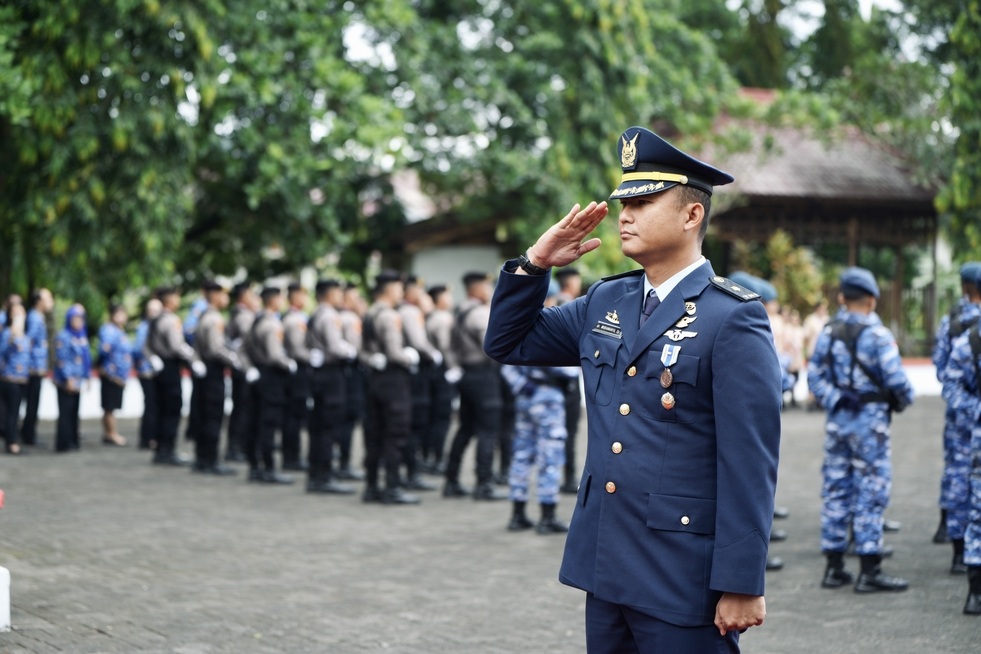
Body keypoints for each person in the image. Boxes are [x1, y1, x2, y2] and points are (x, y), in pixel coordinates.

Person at [484, 126, 782, 651]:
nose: (625, 214)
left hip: (681, 575)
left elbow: (750, 461)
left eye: (643, 202)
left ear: (693, 215)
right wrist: (535, 264)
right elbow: (509, 342)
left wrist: (741, 581)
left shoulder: (732, 317)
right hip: (606, 563)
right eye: (624, 201)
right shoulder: (607, 301)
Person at [808, 267, 914, 593]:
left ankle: (834, 567)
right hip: (871, 425)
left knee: (836, 489)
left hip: (839, 422)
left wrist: (837, 399)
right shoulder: (879, 335)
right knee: (870, 490)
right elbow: (898, 383)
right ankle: (869, 569)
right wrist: (900, 400)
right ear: (871, 300)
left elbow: (814, 378)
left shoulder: (828, 332)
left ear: (842, 298)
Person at [501, 281, 577, 535]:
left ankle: (518, 513)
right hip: (548, 397)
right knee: (550, 456)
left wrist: (523, 387)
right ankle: (547, 515)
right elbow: (564, 367)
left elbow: (505, 364)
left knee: (522, 454)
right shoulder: (546, 326)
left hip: (526, 397)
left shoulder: (518, 322)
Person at [443, 271, 507, 502]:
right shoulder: (480, 313)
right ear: (476, 288)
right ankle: (484, 483)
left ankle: (451, 479)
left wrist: (454, 367)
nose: (489, 290)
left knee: (466, 428)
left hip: (465, 375)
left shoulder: (459, 311)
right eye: (487, 285)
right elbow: (492, 347)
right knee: (488, 430)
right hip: (483, 376)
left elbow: (449, 346)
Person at [360, 271, 420, 505]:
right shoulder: (388, 315)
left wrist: (373, 358)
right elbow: (394, 352)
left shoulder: (370, 312)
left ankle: (372, 486)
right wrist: (409, 357)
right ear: (388, 289)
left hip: (375, 379)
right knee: (395, 433)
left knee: (374, 433)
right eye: (398, 287)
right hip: (394, 380)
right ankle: (392, 487)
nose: (401, 292)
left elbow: (363, 351)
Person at [932, 262, 981, 548]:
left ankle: (952, 536)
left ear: (965, 288)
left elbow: (941, 367)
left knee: (955, 469)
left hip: (958, 410)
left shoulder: (951, 320)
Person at [943, 263, 981, 615]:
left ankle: (963, 560)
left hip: (966, 424)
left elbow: (945, 374)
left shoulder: (954, 322)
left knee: (968, 493)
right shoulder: (975, 333)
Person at [304, 279, 358, 495]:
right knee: (328, 427)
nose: (340, 296)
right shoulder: (329, 315)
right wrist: (351, 351)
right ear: (328, 294)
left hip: (320, 374)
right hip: (331, 374)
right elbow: (335, 347)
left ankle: (316, 475)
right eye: (337, 292)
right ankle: (324, 477)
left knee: (319, 427)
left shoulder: (317, 313)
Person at [245, 286, 297, 485]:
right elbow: (276, 355)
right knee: (268, 424)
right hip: (272, 378)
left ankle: (255, 466)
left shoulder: (257, 321)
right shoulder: (271, 324)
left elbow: (243, 349)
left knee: (255, 422)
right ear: (273, 300)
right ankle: (268, 468)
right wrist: (289, 364)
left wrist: (250, 367)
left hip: (259, 375)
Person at [190, 280, 241, 475]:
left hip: (207, 371)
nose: (226, 299)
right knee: (213, 416)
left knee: (205, 414)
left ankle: (203, 458)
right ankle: (210, 460)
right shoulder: (214, 319)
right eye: (223, 294)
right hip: (213, 372)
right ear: (214, 296)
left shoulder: (204, 316)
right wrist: (235, 359)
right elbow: (215, 349)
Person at [398, 274, 441, 491]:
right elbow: (418, 342)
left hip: (410, 372)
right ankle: (411, 472)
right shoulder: (410, 311)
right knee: (415, 423)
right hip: (416, 372)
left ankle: (411, 469)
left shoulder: (405, 310)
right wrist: (434, 354)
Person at [144, 287, 196, 466]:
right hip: (170, 367)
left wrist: (153, 358)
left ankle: (160, 450)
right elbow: (176, 346)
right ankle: (167, 450)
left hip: (160, 367)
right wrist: (193, 356)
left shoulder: (155, 319)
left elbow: (147, 346)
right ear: (170, 300)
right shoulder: (171, 320)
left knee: (161, 409)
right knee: (172, 409)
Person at [554, 267, 584, 495]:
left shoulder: (561, 302)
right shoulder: (567, 305)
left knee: (569, 432)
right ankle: (567, 476)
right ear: (570, 282)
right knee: (568, 431)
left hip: (564, 381)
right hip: (565, 382)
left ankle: (568, 475)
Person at [423, 284, 459, 474]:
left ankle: (431, 456)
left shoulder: (433, 317)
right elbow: (447, 347)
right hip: (443, 371)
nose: (450, 300)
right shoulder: (442, 318)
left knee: (435, 416)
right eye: (447, 296)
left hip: (435, 371)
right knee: (442, 417)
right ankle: (437, 458)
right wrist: (454, 368)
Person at [225, 282, 259, 462]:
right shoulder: (244, 316)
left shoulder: (237, 314)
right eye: (252, 295)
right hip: (245, 368)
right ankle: (237, 447)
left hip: (241, 368)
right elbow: (250, 342)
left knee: (240, 409)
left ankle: (236, 447)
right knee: (243, 409)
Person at [336, 283, 366, 480]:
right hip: (352, 373)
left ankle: (342, 462)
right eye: (355, 297)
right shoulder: (349, 318)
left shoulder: (341, 316)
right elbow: (358, 347)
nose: (360, 301)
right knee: (348, 419)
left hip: (344, 373)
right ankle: (343, 463)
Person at [281, 282, 312, 472]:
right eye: (302, 295)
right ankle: (290, 457)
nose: (305, 299)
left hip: (301, 370)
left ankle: (293, 455)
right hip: (296, 370)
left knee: (297, 415)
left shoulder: (300, 317)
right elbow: (297, 348)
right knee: (293, 416)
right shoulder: (292, 319)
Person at [54, 304, 91, 453]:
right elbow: (62, 359)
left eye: (80, 319)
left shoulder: (82, 336)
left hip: (78, 379)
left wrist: (87, 377)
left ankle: (73, 440)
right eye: (75, 319)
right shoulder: (63, 336)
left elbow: (85, 359)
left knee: (74, 411)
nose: (78, 322)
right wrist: (68, 378)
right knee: (66, 412)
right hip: (66, 380)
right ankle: (64, 442)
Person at [20, 288, 53, 447]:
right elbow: (28, 341)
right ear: (39, 301)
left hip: (36, 367)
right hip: (33, 369)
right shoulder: (35, 318)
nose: (51, 302)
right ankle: (28, 436)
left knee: (32, 403)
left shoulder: (38, 317)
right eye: (48, 298)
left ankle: (28, 433)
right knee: (32, 403)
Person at [96, 303, 132, 447]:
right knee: (109, 406)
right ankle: (111, 433)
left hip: (118, 375)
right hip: (111, 374)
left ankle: (109, 433)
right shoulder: (109, 331)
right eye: (119, 314)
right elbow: (103, 351)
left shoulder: (119, 331)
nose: (122, 317)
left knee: (112, 406)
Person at [0, 303, 30, 455]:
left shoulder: (25, 336)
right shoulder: (7, 334)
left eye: (21, 310)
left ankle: (14, 439)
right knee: (11, 413)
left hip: (22, 380)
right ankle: (11, 442)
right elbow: (2, 353)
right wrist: (12, 336)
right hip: (9, 379)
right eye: (15, 312)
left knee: (16, 412)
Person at [133, 298, 162, 450]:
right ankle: (147, 438)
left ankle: (152, 436)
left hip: (155, 372)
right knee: (151, 405)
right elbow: (138, 349)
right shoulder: (144, 328)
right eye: (152, 311)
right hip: (147, 372)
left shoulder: (156, 327)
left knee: (155, 405)